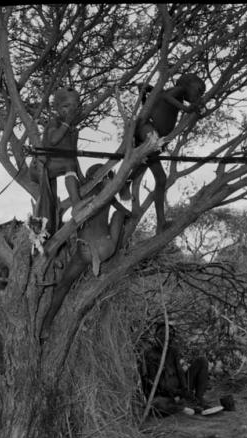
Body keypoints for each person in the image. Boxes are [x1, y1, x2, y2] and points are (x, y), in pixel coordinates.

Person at [42, 163, 126, 330]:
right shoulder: (109, 194)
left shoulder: (83, 192)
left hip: (85, 250)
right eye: (109, 176)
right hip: (106, 247)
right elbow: (124, 210)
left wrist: (71, 171)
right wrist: (126, 215)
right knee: (119, 215)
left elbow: (71, 176)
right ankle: (115, 253)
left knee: (64, 285)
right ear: (105, 178)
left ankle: (46, 325)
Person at [121, 74, 206, 234]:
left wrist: (195, 111)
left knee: (161, 178)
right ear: (188, 84)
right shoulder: (178, 90)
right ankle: (126, 183)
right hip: (148, 130)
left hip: (155, 136)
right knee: (150, 151)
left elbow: (158, 98)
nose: (199, 94)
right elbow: (165, 97)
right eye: (199, 90)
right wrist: (187, 109)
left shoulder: (175, 95)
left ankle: (161, 223)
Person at [31, 87, 85, 234]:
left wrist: (80, 177)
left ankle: (76, 203)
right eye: (66, 106)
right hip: (42, 166)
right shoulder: (54, 123)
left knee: (70, 163)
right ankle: (76, 204)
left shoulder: (73, 129)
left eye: (74, 107)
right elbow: (54, 140)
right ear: (57, 108)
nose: (70, 111)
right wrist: (66, 123)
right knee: (68, 164)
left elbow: (72, 156)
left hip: (61, 165)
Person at [141, 321, 210, 415]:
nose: (166, 337)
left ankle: (198, 399)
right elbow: (155, 382)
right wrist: (175, 392)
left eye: (170, 334)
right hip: (165, 395)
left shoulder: (173, 351)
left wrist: (185, 389)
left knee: (202, 361)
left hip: (181, 391)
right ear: (156, 336)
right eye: (162, 334)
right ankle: (183, 408)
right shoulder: (150, 354)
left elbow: (180, 372)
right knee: (157, 404)